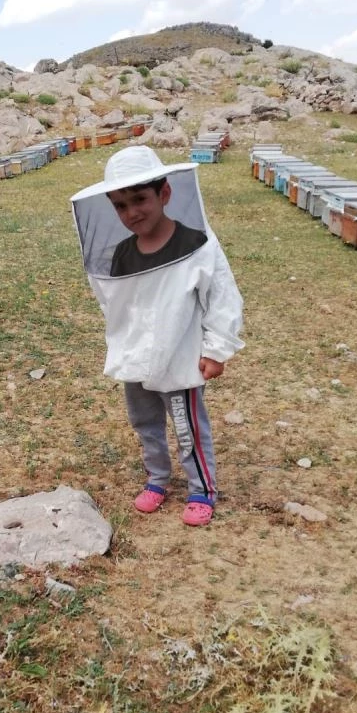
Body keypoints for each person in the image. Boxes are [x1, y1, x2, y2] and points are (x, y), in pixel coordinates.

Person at [70, 145, 244, 527]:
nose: (131, 212)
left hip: (180, 354)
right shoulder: (120, 255)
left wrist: (217, 349)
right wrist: (122, 342)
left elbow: (222, 296)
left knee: (188, 427)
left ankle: (202, 489)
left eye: (140, 199)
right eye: (120, 205)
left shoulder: (196, 244)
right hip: (135, 356)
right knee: (145, 422)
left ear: (165, 194)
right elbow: (112, 302)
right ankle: (157, 478)